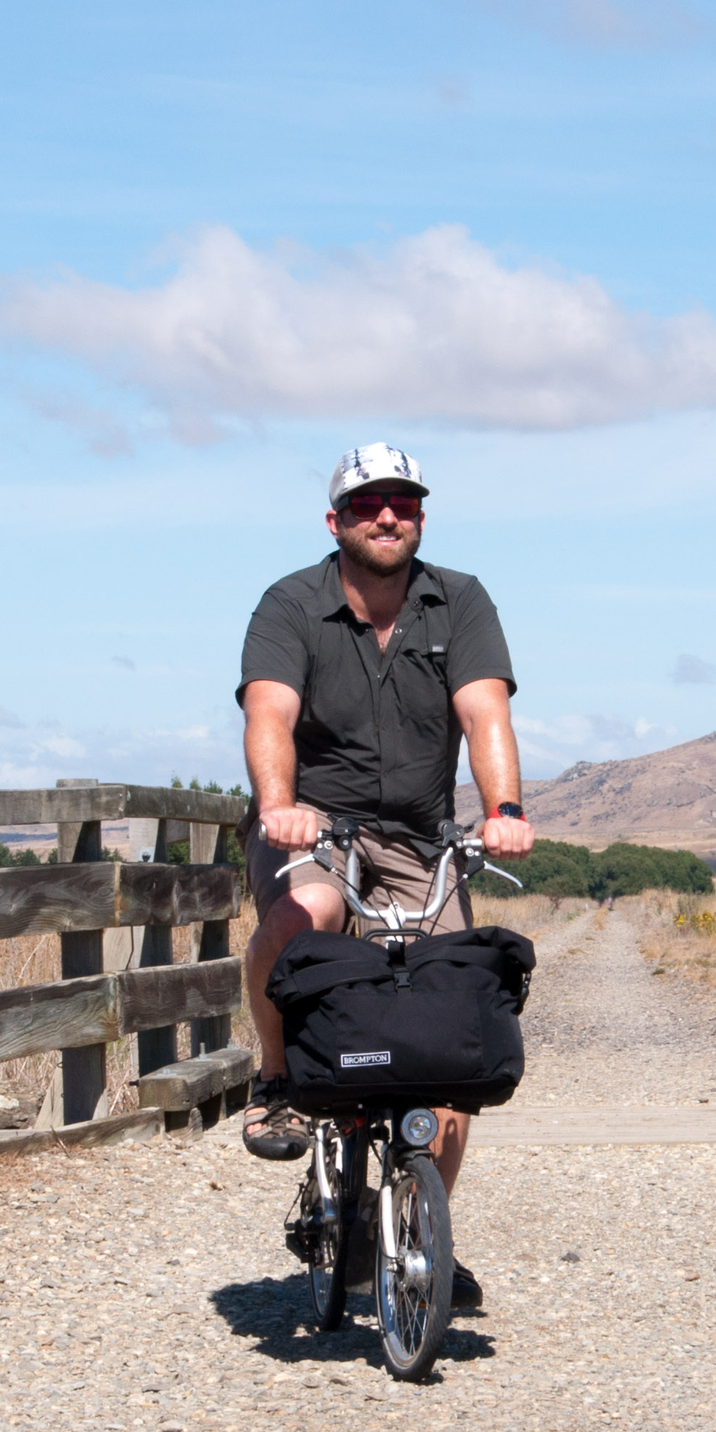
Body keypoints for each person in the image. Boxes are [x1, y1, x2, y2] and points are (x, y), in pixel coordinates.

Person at [235, 443, 534, 1307]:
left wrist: (504, 810)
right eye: (368, 504)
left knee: (453, 1017)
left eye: (402, 501)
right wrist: (280, 802)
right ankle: (277, 1077)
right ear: (337, 523)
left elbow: (485, 712)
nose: (387, 515)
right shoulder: (291, 603)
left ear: (421, 518)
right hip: (319, 822)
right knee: (308, 913)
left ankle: (418, 1228)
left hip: (417, 834)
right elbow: (270, 711)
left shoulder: (459, 599)